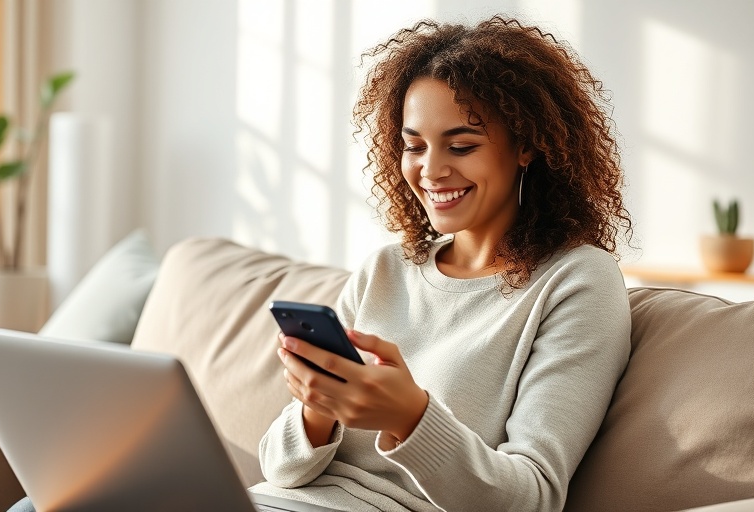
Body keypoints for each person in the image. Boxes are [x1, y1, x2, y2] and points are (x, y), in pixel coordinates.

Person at [247, 15, 633, 512]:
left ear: (527, 146)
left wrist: (410, 417)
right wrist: (318, 407)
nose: (430, 171)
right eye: (414, 146)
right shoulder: (384, 270)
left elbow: (533, 497)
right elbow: (278, 469)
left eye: (462, 146)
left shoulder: (577, 282)